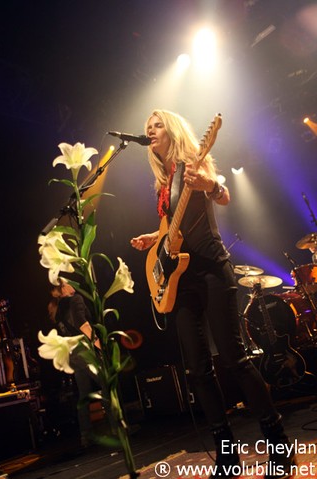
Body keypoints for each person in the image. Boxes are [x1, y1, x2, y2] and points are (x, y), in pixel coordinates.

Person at [130, 110, 295, 479]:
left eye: (155, 126)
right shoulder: (163, 184)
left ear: (172, 130)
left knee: (235, 359)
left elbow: (222, 195)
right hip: (181, 280)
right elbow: (175, 228)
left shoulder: (195, 165)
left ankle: (279, 444)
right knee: (196, 370)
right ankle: (226, 455)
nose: (149, 132)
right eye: (147, 129)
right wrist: (153, 238)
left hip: (212, 271)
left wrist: (209, 185)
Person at [51, 280, 102, 448]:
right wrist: (99, 344)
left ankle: (86, 436)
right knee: (107, 384)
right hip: (83, 348)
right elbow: (82, 323)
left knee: (84, 394)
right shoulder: (75, 299)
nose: (73, 282)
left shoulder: (58, 310)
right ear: (64, 288)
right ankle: (120, 427)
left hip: (72, 353)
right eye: (67, 282)